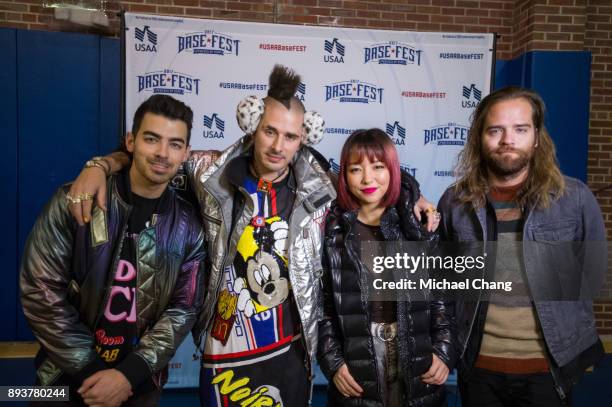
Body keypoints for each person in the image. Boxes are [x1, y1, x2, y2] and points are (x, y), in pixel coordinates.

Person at [66, 65, 437, 405]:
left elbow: (371, 182)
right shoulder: (207, 171)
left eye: (290, 136)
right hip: (224, 342)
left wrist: (414, 195)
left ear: (303, 138)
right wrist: (99, 165)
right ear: (252, 125)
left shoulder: (320, 185)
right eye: (270, 131)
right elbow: (158, 158)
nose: (278, 146)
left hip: (289, 346)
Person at [20, 94, 206, 406]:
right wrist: (93, 371)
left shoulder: (189, 227)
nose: (163, 153)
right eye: (151, 139)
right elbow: (40, 291)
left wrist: (127, 376)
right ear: (130, 142)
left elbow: (183, 309)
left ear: (186, 152)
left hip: (136, 387)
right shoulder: (75, 199)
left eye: (175, 144)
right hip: (60, 380)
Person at [438, 86, 607, 406]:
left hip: (548, 370)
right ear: (480, 138)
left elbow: (591, 275)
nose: (508, 140)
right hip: (478, 368)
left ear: (537, 137)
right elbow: (443, 283)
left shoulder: (575, 199)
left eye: (520, 129)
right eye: (496, 130)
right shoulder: (455, 202)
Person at [317, 129, 455, 407]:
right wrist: (333, 362)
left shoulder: (416, 223)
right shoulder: (332, 229)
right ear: (344, 175)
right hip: (360, 369)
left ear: (392, 170)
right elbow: (323, 306)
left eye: (378, 167)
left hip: (416, 365)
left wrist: (443, 352)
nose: (367, 178)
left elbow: (442, 296)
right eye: (356, 169)